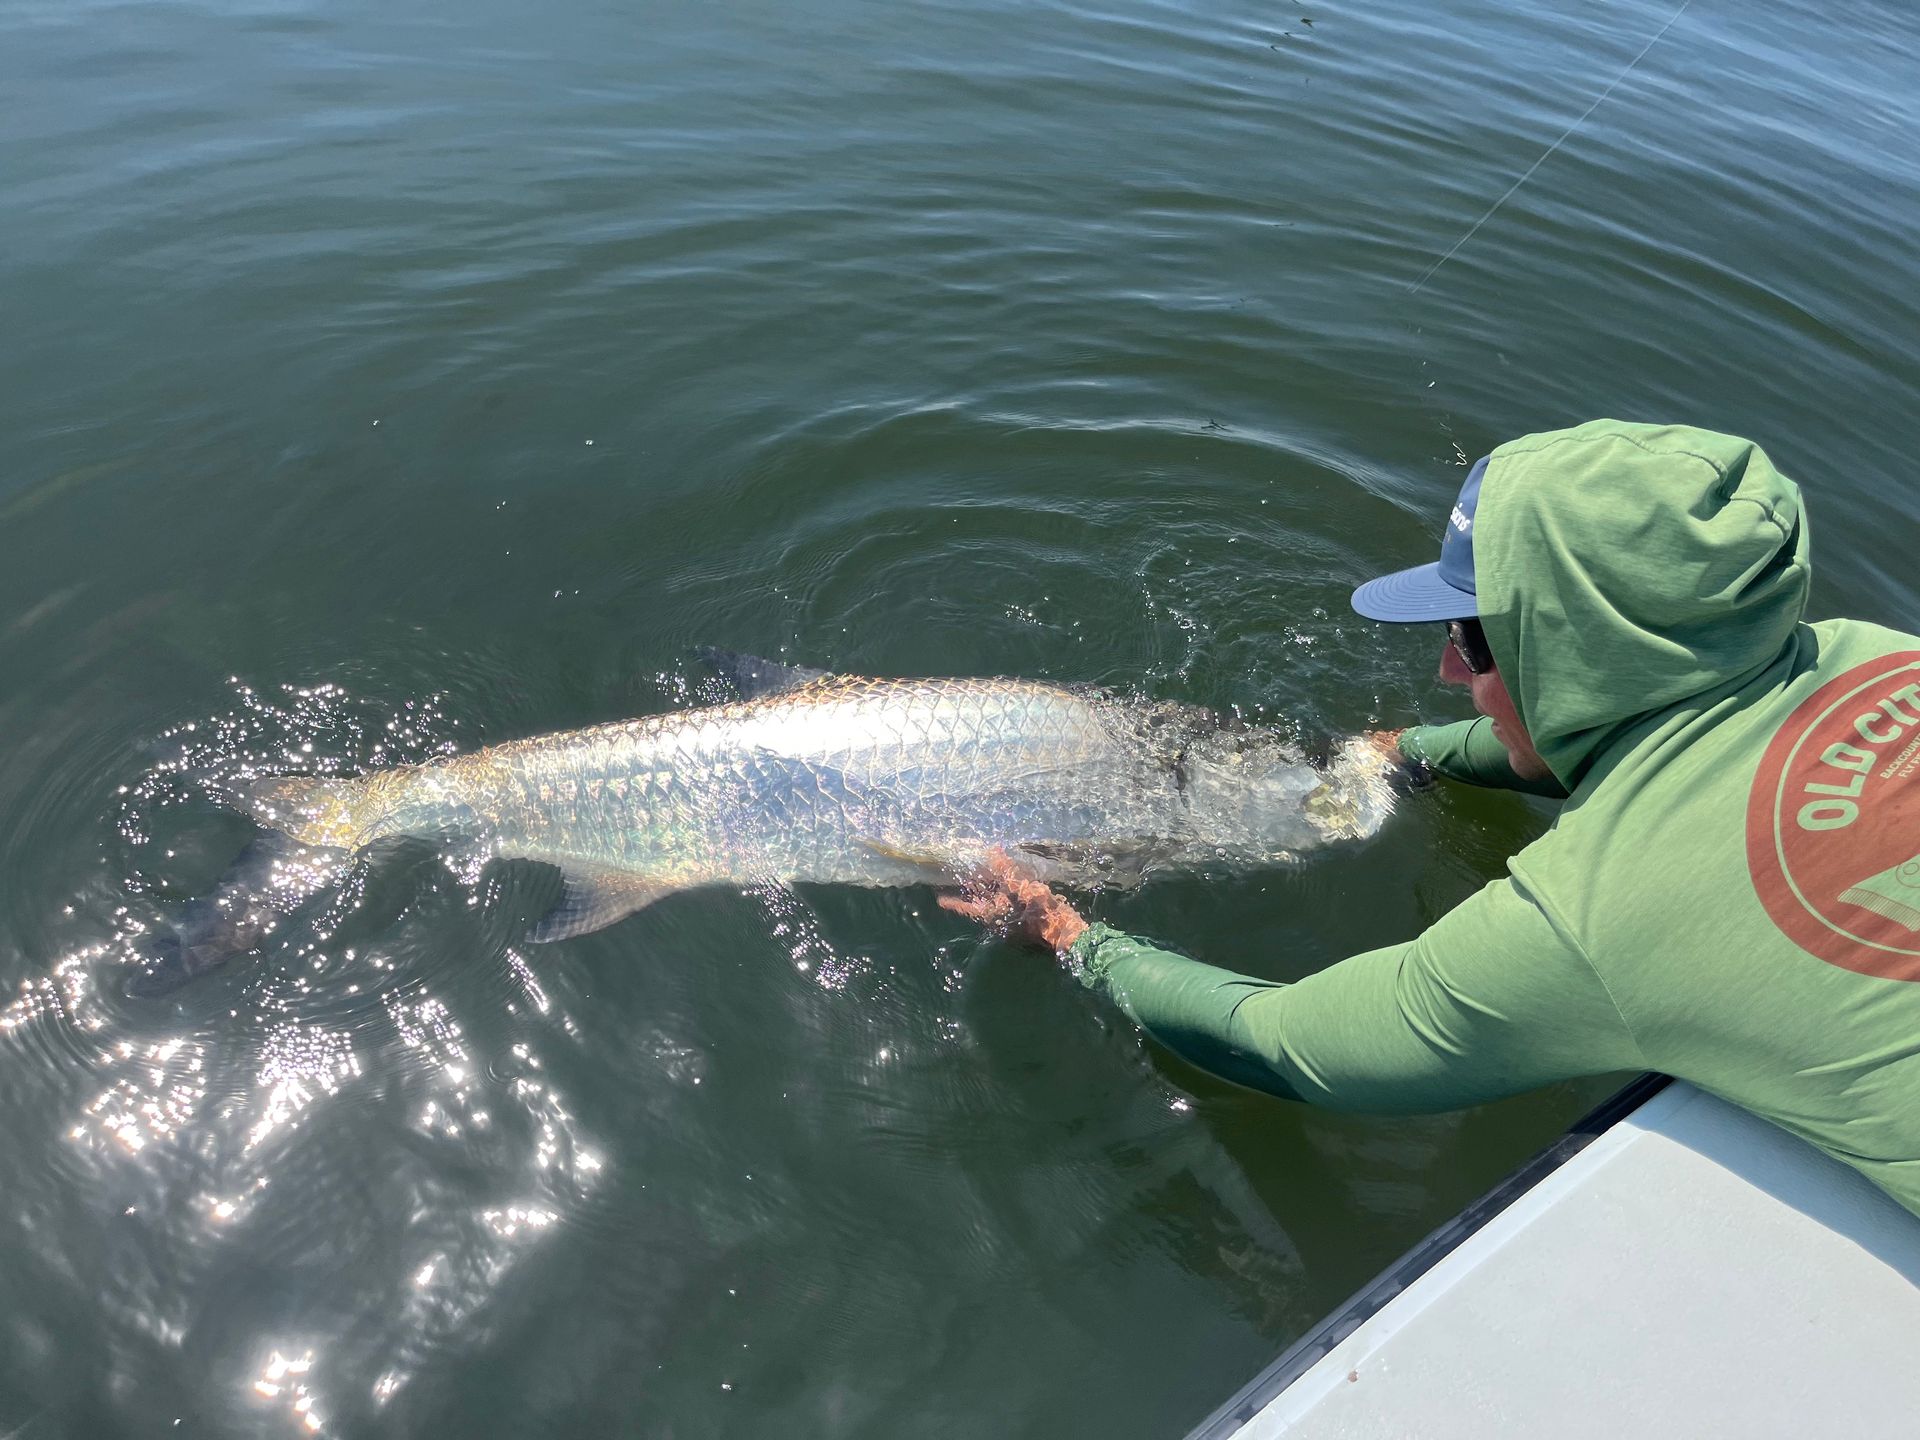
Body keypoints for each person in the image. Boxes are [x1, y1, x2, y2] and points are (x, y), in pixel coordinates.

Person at [942, 419, 1920, 1218]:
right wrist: (1409, 750)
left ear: (1582, 654)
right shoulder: (1879, 653)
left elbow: (1277, 1043)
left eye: (1476, 638)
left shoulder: (1593, 922)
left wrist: (1069, 933)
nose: (1451, 671)